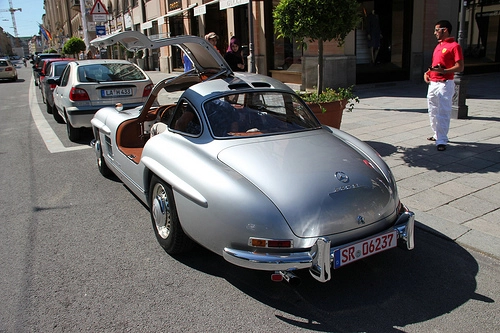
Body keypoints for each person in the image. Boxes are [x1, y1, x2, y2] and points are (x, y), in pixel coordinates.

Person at [424, 20, 464, 151]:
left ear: (444, 30)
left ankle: (442, 139)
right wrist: (428, 72)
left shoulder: (454, 46)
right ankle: (436, 134)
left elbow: (460, 67)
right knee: (433, 110)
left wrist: (445, 71)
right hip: (433, 83)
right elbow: (436, 64)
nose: (435, 33)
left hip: (445, 83)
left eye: (437, 30)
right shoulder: (438, 46)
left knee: (443, 111)